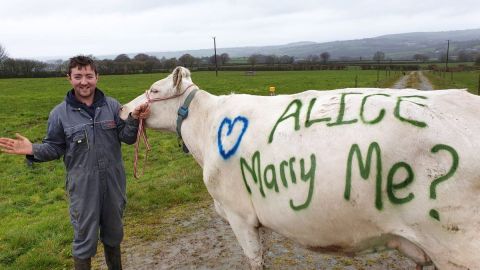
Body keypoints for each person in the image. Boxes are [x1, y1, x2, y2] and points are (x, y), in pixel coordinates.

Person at [0, 55, 150, 270]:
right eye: (78, 76)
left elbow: (127, 137)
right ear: (69, 78)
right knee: (84, 241)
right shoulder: (59, 114)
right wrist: (32, 149)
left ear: (97, 77)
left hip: (114, 184)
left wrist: (134, 119)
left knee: (113, 235)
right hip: (82, 187)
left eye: (89, 75)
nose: (84, 81)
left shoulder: (112, 106)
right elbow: (54, 147)